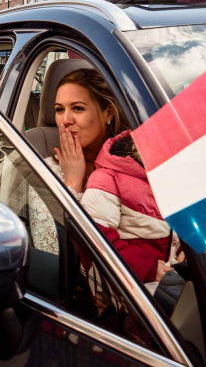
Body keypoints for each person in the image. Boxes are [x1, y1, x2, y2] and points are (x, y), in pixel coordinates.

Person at [28, 68, 131, 254]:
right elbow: (52, 252)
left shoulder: (132, 164)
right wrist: (73, 182)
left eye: (77, 108)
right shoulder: (44, 171)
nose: (65, 120)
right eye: (59, 110)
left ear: (108, 113)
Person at [81, 132, 183, 287]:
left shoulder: (166, 176)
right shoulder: (107, 178)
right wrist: (147, 268)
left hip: (173, 276)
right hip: (134, 286)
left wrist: (190, 252)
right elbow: (96, 239)